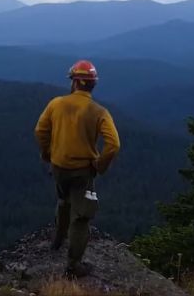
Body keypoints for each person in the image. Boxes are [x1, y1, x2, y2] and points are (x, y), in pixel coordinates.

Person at [34, 59, 121, 278]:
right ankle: (73, 266)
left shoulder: (56, 104)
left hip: (59, 167)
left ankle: (58, 239)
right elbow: (114, 144)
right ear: (93, 84)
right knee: (81, 216)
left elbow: (40, 130)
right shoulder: (99, 111)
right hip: (83, 171)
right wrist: (100, 165)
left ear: (74, 82)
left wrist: (48, 154)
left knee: (63, 201)